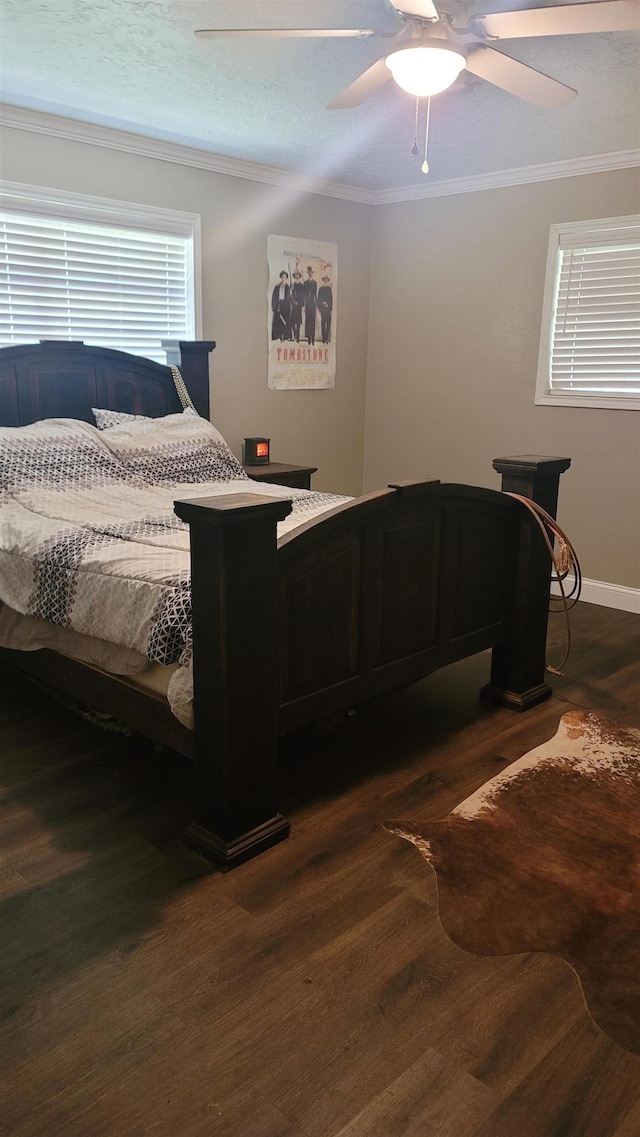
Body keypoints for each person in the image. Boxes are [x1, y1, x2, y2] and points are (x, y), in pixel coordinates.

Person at [271, 270, 291, 341]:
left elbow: (289, 298)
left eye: (285, 277)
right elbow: (274, 297)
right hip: (278, 305)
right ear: (281, 277)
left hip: (285, 306)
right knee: (278, 321)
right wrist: (274, 306)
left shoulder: (288, 287)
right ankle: (278, 336)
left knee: (285, 321)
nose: (283, 278)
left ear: (286, 278)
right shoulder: (277, 287)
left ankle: (284, 336)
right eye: (282, 276)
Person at [303, 265, 317, 346]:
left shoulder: (315, 283)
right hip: (308, 304)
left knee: (313, 321)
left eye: (311, 272)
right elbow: (304, 294)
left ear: (312, 273)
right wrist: (305, 303)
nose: (310, 274)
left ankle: (313, 338)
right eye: (309, 273)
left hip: (313, 303)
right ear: (308, 274)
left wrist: (317, 305)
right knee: (308, 320)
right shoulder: (305, 283)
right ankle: (308, 338)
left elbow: (315, 295)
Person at [290, 269, 305, 343]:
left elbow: (303, 296)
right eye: (295, 275)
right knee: (292, 321)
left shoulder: (302, 286)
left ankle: (298, 338)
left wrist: (300, 303)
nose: (297, 276)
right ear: (294, 276)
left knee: (298, 322)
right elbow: (290, 295)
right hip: (294, 306)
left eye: (298, 275)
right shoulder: (292, 285)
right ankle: (295, 333)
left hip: (299, 306)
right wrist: (293, 302)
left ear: (299, 276)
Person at [318, 276, 333, 345]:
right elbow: (319, 299)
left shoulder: (329, 289)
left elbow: (331, 299)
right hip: (323, 310)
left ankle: (327, 337)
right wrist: (322, 305)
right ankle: (323, 338)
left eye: (326, 280)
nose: (325, 281)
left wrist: (329, 307)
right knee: (323, 323)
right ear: (323, 280)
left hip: (328, 309)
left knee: (328, 323)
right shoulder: (321, 289)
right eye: (324, 280)